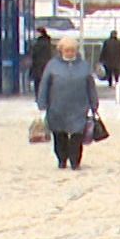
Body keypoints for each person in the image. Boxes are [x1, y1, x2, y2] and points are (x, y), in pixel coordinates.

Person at [37, 34, 98, 170]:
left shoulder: (84, 66)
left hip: (79, 107)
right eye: (67, 50)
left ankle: (75, 161)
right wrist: (42, 102)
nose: (70, 53)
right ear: (61, 50)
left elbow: (90, 86)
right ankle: (62, 159)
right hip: (57, 108)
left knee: (77, 136)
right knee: (59, 135)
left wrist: (94, 104)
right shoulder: (52, 65)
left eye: (72, 50)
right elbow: (45, 84)